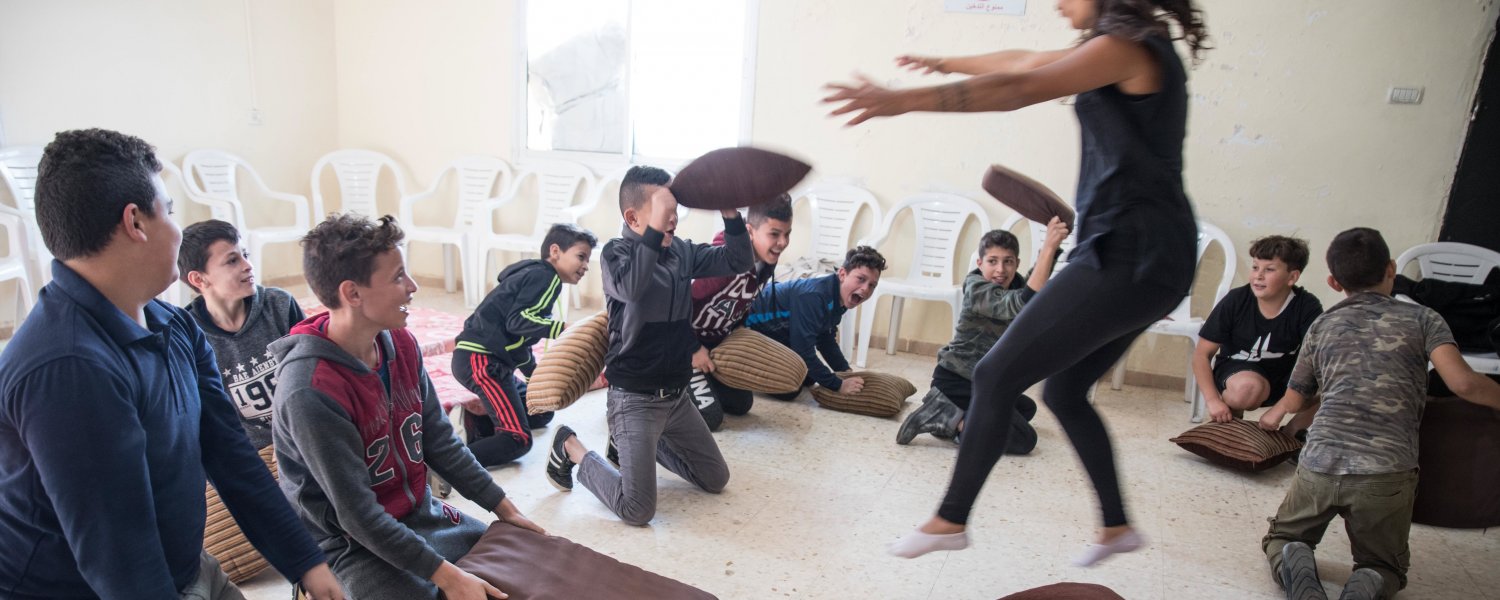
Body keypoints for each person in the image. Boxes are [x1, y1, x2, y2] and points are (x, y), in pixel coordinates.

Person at [825, 0, 1212, 564]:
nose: (1058, 3)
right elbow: (1025, 59)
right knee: (1063, 392)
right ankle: (1116, 527)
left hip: (1132, 254)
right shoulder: (1118, 48)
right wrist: (947, 61)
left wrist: (900, 101)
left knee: (996, 373)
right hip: (1143, 255)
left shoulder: (1130, 50)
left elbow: (1020, 87)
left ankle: (950, 519)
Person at [0, 129, 342, 599]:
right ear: (135, 222)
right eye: (171, 211)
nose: (177, 229)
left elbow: (228, 452)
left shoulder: (170, 322)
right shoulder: (68, 368)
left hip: (180, 562)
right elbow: (118, 554)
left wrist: (306, 562)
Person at [272, 214, 545, 600]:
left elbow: (440, 441)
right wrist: (448, 578)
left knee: (524, 573)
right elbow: (358, 516)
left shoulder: (400, 343)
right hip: (350, 547)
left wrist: (505, 509)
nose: (413, 287)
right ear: (352, 294)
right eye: (398, 276)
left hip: (420, 516)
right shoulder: (310, 390)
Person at [1257, 228, 1500, 600]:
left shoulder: (1322, 325)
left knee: (1283, 536)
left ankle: (1294, 554)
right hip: (1386, 472)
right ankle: (1368, 581)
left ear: (1334, 282)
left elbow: (1297, 398)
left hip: (1320, 463)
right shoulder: (1425, 320)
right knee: (1384, 566)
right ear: (1391, 269)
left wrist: (1274, 417)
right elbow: (1463, 384)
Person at [544, 166, 751, 525]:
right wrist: (655, 231)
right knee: (638, 509)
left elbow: (738, 260)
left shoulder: (682, 252)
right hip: (634, 399)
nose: (672, 219)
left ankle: (635, 446)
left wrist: (730, 212)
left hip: (675, 397)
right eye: (663, 210)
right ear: (633, 216)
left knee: (716, 478)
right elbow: (633, 288)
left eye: (674, 210)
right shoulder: (615, 254)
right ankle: (571, 447)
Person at [897, 220, 1068, 449]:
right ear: (980, 263)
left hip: (982, 381)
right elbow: (1022, 303)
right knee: (1024, 439)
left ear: (1017, 263)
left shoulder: (1014, 283)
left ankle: (949, 418)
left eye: (1008, 262)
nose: (1000, 270)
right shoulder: (977, 288)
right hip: (958, 380)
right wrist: (1048, 247)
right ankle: (950, 419)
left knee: (1026, 409)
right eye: (992, 261)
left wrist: (1051, 251)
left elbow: (1032, 289)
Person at [451, 223, 595, 466]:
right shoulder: (547, 277)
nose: (586, 266)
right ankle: (447, 462)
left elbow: (516, 341)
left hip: (488, 358)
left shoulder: (536, 275)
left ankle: (470, 424)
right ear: (555, 251)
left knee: (541, 411)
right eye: (581, 256)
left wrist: (534, 376)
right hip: (482, 360)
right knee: (517, 439)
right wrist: (562, 328)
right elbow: (518, 321)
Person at [178, 219, 307, 449]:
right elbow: (206, 416)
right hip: (254, 454)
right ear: (199, 279)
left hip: (303, 434)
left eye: (245, 254)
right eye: (232, 260)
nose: (248, 265)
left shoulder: (279, 305)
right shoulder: (189, 334)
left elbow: (312, 373)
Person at [1194, 235, 1322, 432]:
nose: (1258, 276)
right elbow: (1202, 354)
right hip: (1240, 376)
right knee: (1248, 389)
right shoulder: (1236, 300)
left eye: (1269, 269)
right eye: (1255, 267)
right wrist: (1213, 401)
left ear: (1292, 277)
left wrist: (1281, 408)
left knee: (1339, 390)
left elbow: (1314, 363)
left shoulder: (1307, 307)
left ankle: (1291, 434)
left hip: (1286, 382)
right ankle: (1230, 421)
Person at [687, 194, 794, 428]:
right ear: (750, 231)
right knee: (711, 419)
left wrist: (739, 331)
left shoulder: (767, 261)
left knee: (741, 404)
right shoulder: (721, 262)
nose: (783, 242)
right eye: (774, 234)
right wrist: (693, 348)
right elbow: (674, 307)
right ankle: (668, 387)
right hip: (682, 345)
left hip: (714, 344)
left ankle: (701, 381)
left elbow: (745, 301)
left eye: (787, 234)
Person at [745, 245, 885, 399]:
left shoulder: (838, 298)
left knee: (809, 376)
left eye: (872, 285)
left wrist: (845, 373)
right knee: (789, 389)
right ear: (843, 274)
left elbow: (825, 340)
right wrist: (837, 385)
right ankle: (744, 370)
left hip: (777, 331)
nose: (865, 289)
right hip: (750, 330)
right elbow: (803, 350)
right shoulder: (814, 296)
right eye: (861, 279)